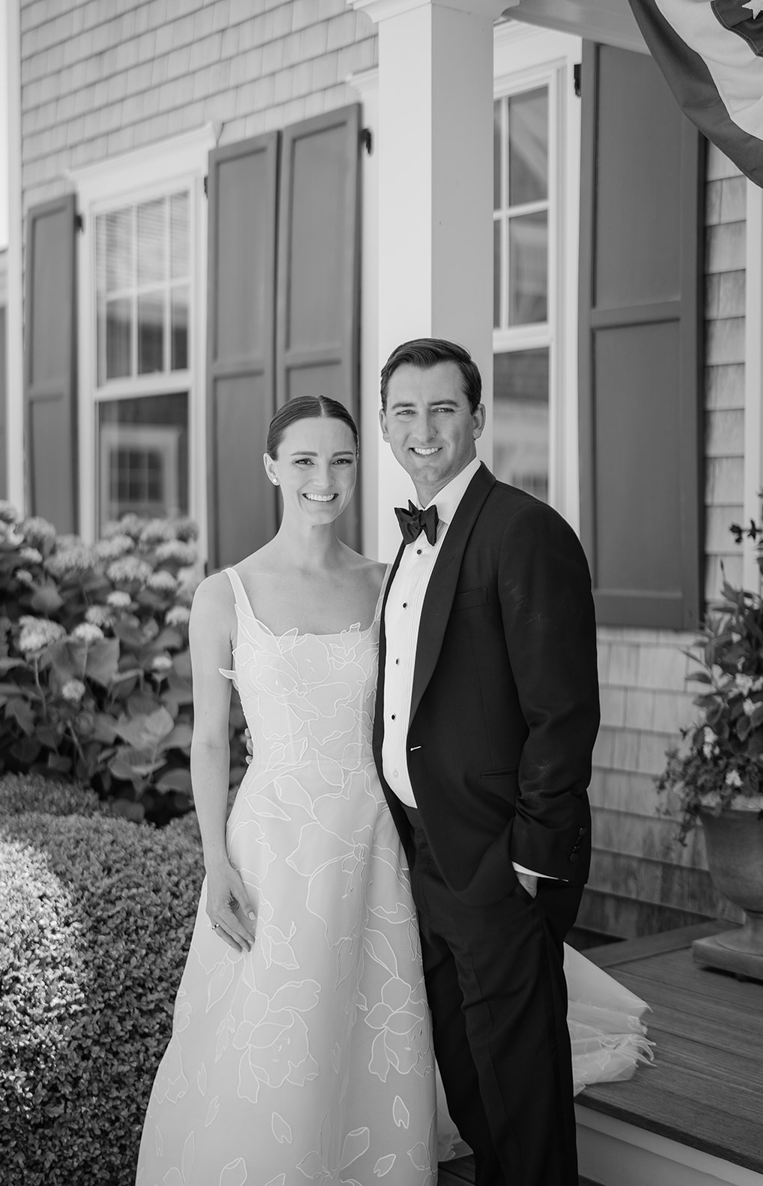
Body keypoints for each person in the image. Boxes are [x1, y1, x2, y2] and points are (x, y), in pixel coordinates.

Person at [136, 396, 438, 1186]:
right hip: (269, 847)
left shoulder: (388, 583)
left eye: (341, 459)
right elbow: (208, 741)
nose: (324, 478)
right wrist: (215, 865)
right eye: (304, 460)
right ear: (273, 468)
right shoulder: (222, 595)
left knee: (360, 1040)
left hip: (369, 845)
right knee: (271, 1040)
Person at [374, 337, 603, 1186]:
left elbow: (563, 712)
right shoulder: (406, 546)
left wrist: (534, 854)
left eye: (442, 408)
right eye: (404, 410)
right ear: (387, 426)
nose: (423, 428)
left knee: (521, 1087)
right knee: (467, 1079)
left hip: (496, 858)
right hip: (419, 851)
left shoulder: (525, 531)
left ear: (477, 416)